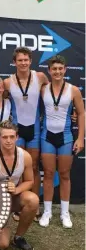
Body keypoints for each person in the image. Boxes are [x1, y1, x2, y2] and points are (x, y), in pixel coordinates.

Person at [3, 47, 49, 222]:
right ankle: (18, 205)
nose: (23, 63)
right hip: (18, 129)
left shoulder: (40, 77)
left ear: (30, 61)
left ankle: (34, 204)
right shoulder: (8, 82)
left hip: (35, 128)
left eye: (26, 60)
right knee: (18, 168)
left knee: (34, 167)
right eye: (19, 60)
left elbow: (54, 94)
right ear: (14, 62)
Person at [39, 55, 85, 228]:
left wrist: (80, 138)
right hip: (47, 136)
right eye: (54, 69)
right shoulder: (43, 89)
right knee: (49, 174)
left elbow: (81, 113)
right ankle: (47, 212)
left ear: (65, 70)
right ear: (49, 71)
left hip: (66, 136)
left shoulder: (73, 90)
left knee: (65, 174)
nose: (57, 72)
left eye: (60, 69)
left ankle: (65, 213)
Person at [0, 121, 38, 250]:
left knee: (33, 200)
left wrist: (17, 189)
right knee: (2, 245)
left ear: (17, 137)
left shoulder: (25, 156)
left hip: (15, 198)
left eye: (12, 137)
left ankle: (19, 237)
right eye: (5, 137)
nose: (8, 141)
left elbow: (30, 181)